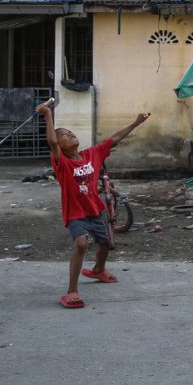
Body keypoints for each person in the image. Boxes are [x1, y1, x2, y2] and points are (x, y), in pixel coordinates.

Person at [36, 102, 149, 309]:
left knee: (105, 243)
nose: (69, 134)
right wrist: (47, 115)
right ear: (59, 145)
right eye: (64, 134)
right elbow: (52, 141)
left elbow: (114, 139)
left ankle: (98, 269)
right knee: (80, 244)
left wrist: (136, 123)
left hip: (95, 210)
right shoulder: (62, 162)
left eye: (70, 132)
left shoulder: (92, 155)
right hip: (75, 213)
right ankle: (71, 291)